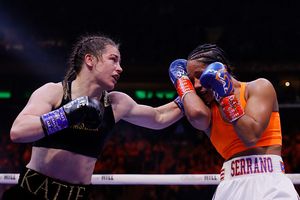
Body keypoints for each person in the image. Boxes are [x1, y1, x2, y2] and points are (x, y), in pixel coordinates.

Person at [2, 34, 183, 200]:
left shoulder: (116, 103)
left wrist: (189, 91)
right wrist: (67, 114)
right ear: (90, 60)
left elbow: (159, 117)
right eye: (113, 60)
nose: (119, 68)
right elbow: (18, 132)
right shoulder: (54, 92)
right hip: (32, 194)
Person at [169, 44, 299, 199]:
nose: (196, 84)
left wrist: (225, 96)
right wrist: (183, 85)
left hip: (269, 181)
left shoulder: (258, 87)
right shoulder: (206, 109)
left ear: (219, 69)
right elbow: (157, 116)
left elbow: (250, 136)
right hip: (230, 186)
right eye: (190, 80)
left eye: (200, 75)